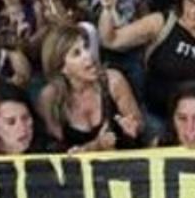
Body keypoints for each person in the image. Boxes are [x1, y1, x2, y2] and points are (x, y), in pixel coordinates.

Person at [37, 25, 144, 153]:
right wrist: (95, 146)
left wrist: (133, 128)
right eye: (77, 53)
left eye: (86, 47)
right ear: (62, 68)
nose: (88, 55)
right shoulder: (49, 97)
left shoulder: (113, 80)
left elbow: (139, 126)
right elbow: (57, 151)